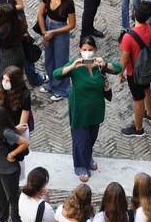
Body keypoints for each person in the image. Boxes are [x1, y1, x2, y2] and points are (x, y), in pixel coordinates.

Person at [52, 36, 121, 182]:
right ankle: (80, 166)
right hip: (80, 109)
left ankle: (88, 157)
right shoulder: (75, 66)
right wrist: (72, 66)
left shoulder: (99, 65)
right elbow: (56, 74)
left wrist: (105, 64)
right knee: (80, 140)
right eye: (84, 50)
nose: (88, 53)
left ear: (95, 50)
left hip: (95, 108)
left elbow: (118, 68)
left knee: (91, 137)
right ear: (80, 50)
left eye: (90, 50)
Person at [118, 1, 151, 137]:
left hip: (133, 72)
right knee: (147, 89)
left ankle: (138, 128)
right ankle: (150, 114)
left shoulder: (128, 37)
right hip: (147, 67)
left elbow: (124, 59)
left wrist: (120, 73)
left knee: (138, 99)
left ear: (135, 15)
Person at [37, 0, 76, 101]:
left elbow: (71, 24)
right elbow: (41, 14)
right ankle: (51, 83)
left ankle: (62, 89)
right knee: (49, 58)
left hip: (61, 30)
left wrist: (53, 32)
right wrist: (45, 33)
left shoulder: (68, 2)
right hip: (47, 26)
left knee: (61, 60)